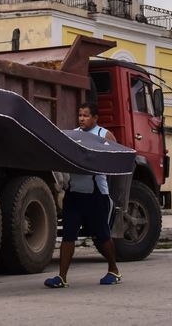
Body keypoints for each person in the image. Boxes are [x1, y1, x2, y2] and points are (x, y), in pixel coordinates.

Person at [44, 103, 121, 288]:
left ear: (95, 118)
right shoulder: (74, 135)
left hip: (96, 195)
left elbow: (116, 158)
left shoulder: (104, 135)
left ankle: (113, 269)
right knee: (69, 236)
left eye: (86, 116)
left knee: (102, 236)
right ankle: (62, 277)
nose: (82, 119)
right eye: (80, 115)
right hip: (74, 194)